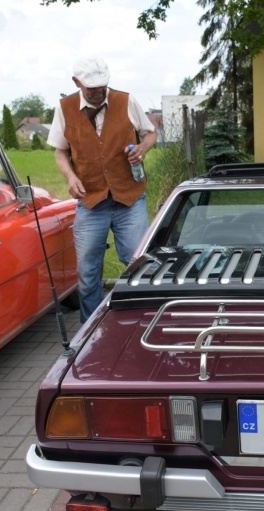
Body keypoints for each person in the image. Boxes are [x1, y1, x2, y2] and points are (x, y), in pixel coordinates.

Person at [47, 56, 158, 322]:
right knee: (87, 272)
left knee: (138, 263)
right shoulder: (64, 108)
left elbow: (150, 133)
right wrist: (70, 177)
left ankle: (143, 320)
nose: (98, 93)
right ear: (77, 82)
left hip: (129, 199)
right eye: (91, 88)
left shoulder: (126, 101)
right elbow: (60, 152)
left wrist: (142, 149)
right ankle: (92, 329)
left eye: (102, 87)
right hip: (90, 201)